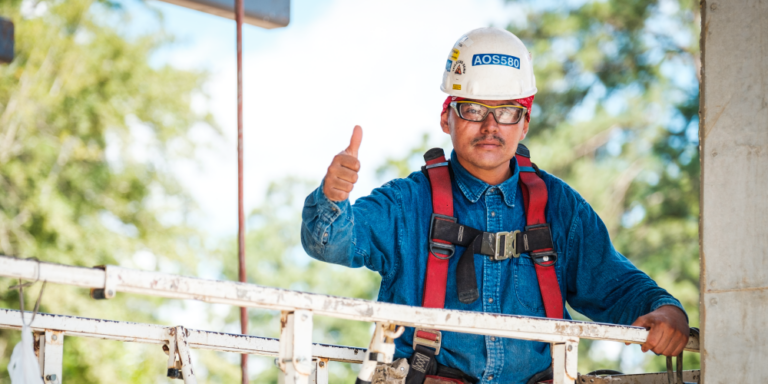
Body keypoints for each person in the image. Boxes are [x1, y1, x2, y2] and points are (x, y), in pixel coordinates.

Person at [300, 27, 689, 384]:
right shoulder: (407, 203)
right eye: (473, 109)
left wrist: (666, 311)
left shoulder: (559, 208)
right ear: (446, 116)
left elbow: (615, 284)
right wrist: (334, 198)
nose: (490, 126)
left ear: (524, 123)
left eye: (506, 112)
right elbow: (331, 241)